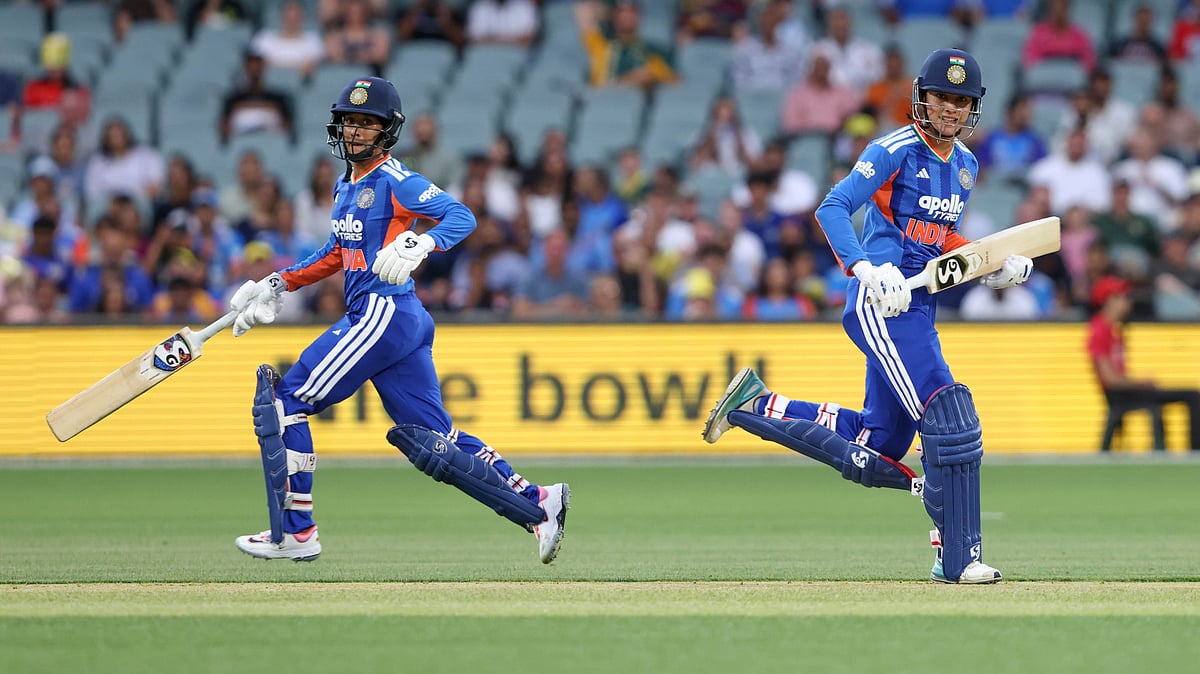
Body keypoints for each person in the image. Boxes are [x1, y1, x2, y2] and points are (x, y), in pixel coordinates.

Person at [702, 49, 1031, 584]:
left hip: (918, 306)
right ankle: (956, 557)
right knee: (947, 415)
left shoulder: (966, 167)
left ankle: (757, 405)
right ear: (921, 98)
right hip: (880, 302)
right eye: (942, 97)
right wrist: (864, 267)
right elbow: (832, 206)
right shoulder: (893, 149)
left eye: (961, 100)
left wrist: (987, 262)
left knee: (880, 443)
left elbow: (938, 238)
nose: (950, 108)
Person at [229, 76, 569, 563]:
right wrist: (280, 282)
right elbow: (337, 252)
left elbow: (461, 216)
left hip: (382, 311)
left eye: (366, 123)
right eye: (349, 121)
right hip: (397, 319)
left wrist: (423, 242)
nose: (355, 131)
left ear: (386, 130)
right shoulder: (346, 185)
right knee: (438, 439)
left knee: (285, 402)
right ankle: (539, 501)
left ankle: (297, 531)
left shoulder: (395, 179)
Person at [1088, 275, 1200, 450]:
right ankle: (1194, 450)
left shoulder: (1114, 330)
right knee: (1192, 396)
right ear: (1109, 301)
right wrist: (1141, 383)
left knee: (1188, 395)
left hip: (1125, 392)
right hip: (1120, 395)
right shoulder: (1100, 330)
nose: (1128, 302)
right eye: (1124, 297)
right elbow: (1110, 379)